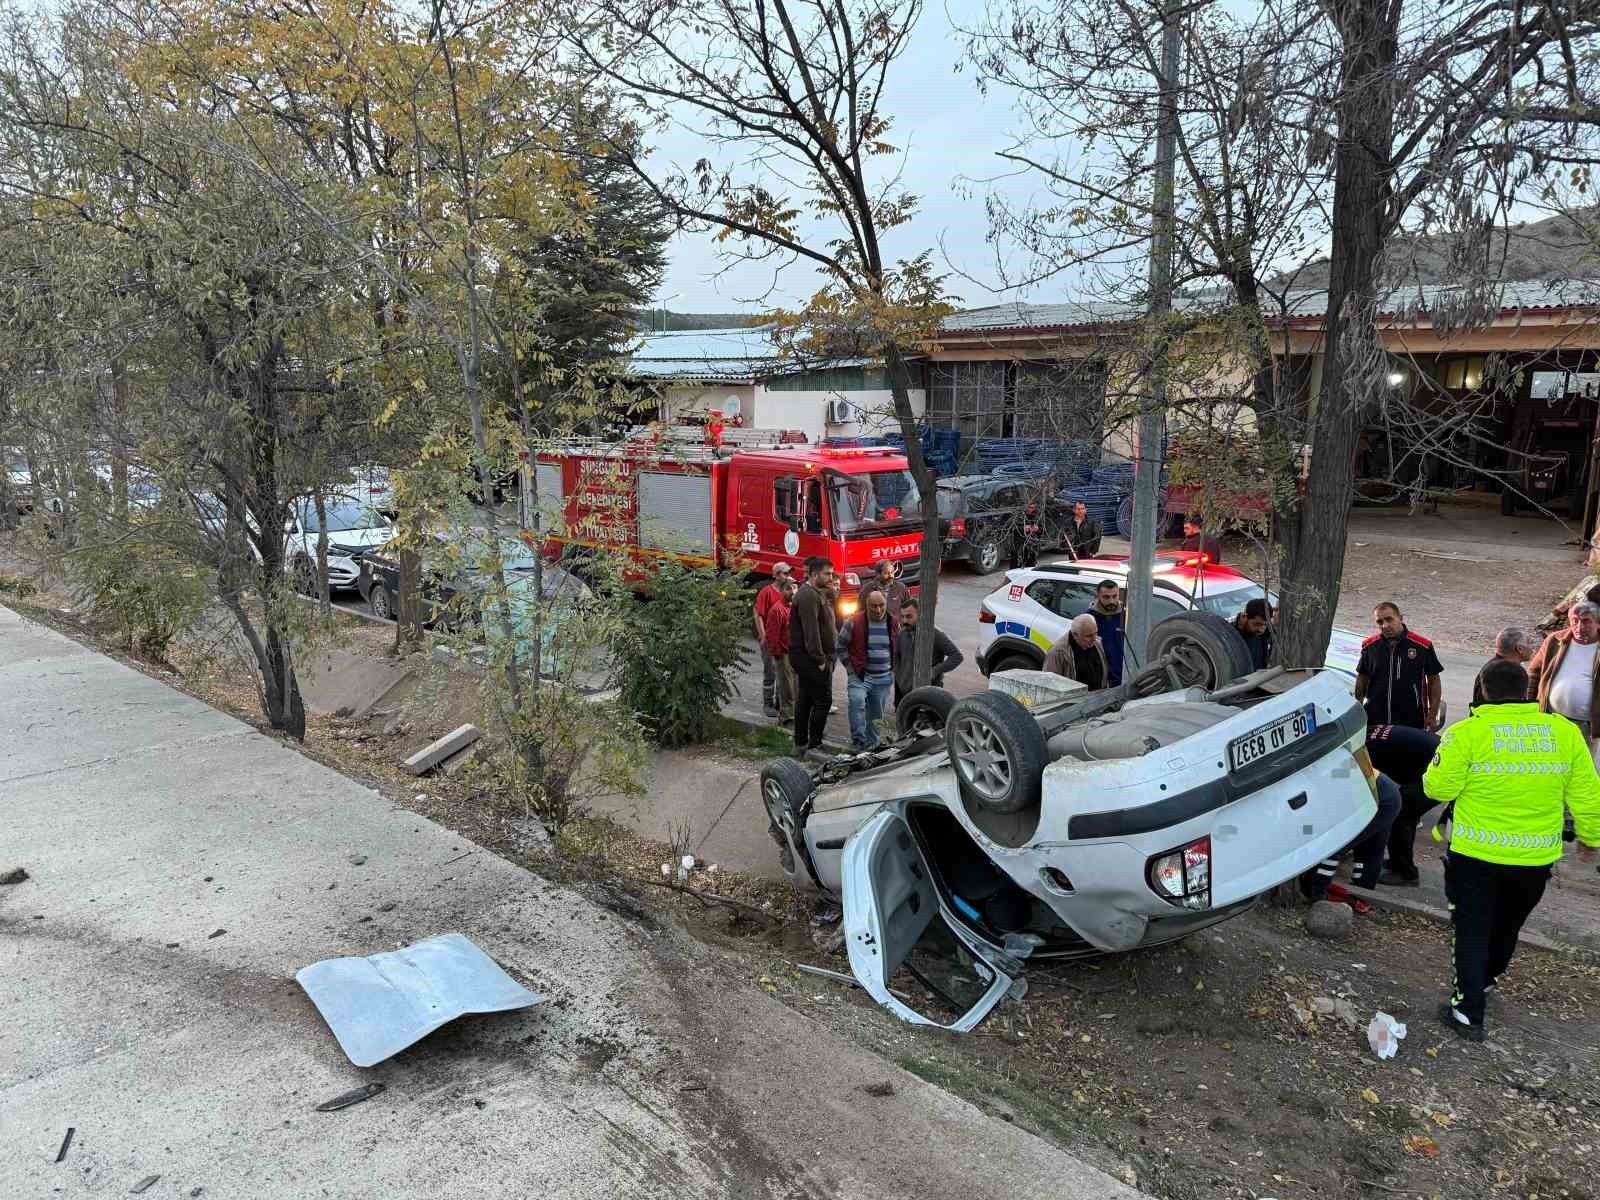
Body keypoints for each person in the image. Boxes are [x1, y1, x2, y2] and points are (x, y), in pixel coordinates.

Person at [1423, 659, 1600, 1041]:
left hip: (1475, 856)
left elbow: (1437, 790)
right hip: (1533, 859)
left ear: (1483, 691)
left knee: (1471, 928)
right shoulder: (1564, 733)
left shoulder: (1468, 733)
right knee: (1507, 925)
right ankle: (1484, 981)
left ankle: (1468, 1011)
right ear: (1528, 691)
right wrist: (1591, 837)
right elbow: (1587, 793)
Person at [1364, 723, 1443, 887]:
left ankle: (1405, 873)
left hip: (1441, 772)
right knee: (1406, 810)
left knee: (1399, 813)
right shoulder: (1368, 733)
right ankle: (1397, 861)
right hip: (1434, 762)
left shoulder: (1362, 752)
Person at [1355, 602, 1443, 730]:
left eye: (1389, 619)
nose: (1385, 625)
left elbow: (1434, 681)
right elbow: (1361, 680)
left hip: (1413, 720)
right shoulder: (1369, 647)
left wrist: (1432, 714)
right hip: (1375, 720)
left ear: (1400, 618)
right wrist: (1358, 711)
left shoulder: (1423, 646)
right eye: (1380, 622)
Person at [1526, 600, 1600, 746]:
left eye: (1586, 621)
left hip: (1585, 726)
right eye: (1575, 621)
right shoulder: (1555, 640)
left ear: (1598, 623)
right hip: (1549, 718)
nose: (1579, 627)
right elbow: (1533, 673)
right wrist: (1529, 707)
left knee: (1579, 767)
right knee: (1547, 763)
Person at [837, 589, 898, 750]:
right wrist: (850, 669)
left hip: (883, 678)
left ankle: (873, 744)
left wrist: (894, 670)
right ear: (866, 605)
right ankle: (858, 740)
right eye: (873, 606)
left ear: (886, 604)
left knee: (877, 713)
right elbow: (840, 645)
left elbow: (897, 649)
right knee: (857, 703)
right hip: (860, 676)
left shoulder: (893, 623)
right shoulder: (854, 622)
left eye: (881, 605)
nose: (878, 610)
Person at [789, 556, 837, 752]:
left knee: (806, 700)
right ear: (815, 574)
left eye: (832, 574)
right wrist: (820, 660)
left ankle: (801, 743)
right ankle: (814, 744)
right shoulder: (808, 595)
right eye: (827, 574)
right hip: (811, 659)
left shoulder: (815, 592)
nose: (830, 578)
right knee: (823, 701)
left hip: (808, 659)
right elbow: (811, 632)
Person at [893, 598, 963, 705]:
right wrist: (899, 676)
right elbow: (896, 656)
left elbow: (957, 656)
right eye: (902, 617)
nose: (904, 621)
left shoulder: (934, 633)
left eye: (909, 616)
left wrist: (934, 671)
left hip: (929, 691)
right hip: (903, 692)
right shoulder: (903, 633)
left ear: (920, 614)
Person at [753, 562, 794, 717]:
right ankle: (768, 703)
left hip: (784, 641)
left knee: (783, 672)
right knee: (770, 671)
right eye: (784, 573)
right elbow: (758, 614)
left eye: (788, 573)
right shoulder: (767, 592)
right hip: (770, 639)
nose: (787, 576)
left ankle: (779, 702)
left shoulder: (788, 591)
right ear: (776, 575)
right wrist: (763, 636)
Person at [1470, 626, 1538, 709]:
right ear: (1519, 648)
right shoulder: (1504, 671)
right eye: (1529, 642)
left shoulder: (1491, 667)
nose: (1533, 647)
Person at [1043, 613, 1109, 690]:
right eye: (1089, 636)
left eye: (1096, 633)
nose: (1094, 638)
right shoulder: (1058, 652)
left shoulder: (1097, 643)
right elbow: (1049, 683)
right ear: (1075, 635)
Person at [763, 578, 797, 722]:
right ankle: (785, 718)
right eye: (789, 589)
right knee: (786, 688)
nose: (793, 592)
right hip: (783, 655)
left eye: (795, 588)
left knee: (795, 687)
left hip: (794, 653)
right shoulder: (776, 610)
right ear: (781, 591)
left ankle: (793, 715)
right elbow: (772, 636)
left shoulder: (793, 607)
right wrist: (778, 656)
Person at [1090, 579, 1126, 686]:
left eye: (1115, 596)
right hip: (1100, 679)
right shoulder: (1090, 617)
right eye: (1106, 597)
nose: (1111, 601)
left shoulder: (1127, 615)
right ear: (1098, 596)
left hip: (1123, 675)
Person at [1232, 597, 1274, 671]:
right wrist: (1239, 631)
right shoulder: (1230, 636)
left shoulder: (1267, 632)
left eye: (1265, 625)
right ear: (1245, 617)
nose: (1261, 629)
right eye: (1257, 624)